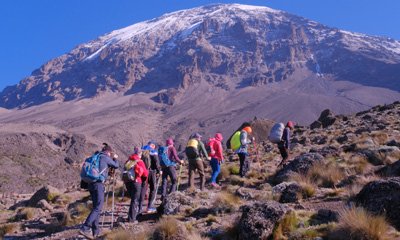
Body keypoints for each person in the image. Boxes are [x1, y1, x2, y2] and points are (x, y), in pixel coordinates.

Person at [79, 144, 119, 239]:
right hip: (98, 184)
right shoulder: (105, 157)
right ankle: (85, 228)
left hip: (91, 184)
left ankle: (95, 232)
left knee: (96, 207)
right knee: (98, 207)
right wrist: (116, 158)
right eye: (111, 153)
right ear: (108, 152)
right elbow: (116, 166)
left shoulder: (96, 157)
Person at [125, 148, 148, 223]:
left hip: (128, 182)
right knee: (135, 200)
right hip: (136, 182)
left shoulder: (129, 160)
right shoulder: (140, 161)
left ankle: (130, 217)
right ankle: (132, 219)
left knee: (133, 200)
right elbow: (145, 174)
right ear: (140, 154)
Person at [141, 141, 161, 213]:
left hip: (142, 172)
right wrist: (159, 170)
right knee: (153, 188)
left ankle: (139, 207)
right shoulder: (153, 151)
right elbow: (156, 162)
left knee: (143, 189)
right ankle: (150, 207)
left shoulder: (142, 150)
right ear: (152, 145)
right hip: (151, 172)